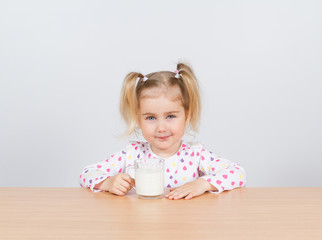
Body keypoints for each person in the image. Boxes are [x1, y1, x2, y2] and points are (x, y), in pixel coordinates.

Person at [80, 62, 247, 200]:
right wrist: (108, 183)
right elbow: (86, 173)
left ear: (187, 116)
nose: (161, 128)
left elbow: (238, 173)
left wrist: (202, 184)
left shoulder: (196, 155)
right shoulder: (132, 155)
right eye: (150, 118)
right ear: (138, 120)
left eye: (171, 116)